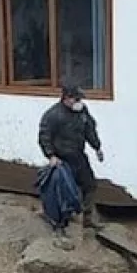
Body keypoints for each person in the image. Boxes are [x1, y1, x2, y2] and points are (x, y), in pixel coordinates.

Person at [38, 85, 105, 228]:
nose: (79, 102)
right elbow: (44, 136)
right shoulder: (53, 115)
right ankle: (63, 221)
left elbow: (89, 129)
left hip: (78, 156)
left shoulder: (82, 112)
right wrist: (51, 156)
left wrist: (97, 147)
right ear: (67, 98)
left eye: (80, 99)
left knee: (90, 185)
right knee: (65, 190)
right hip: (62, 160)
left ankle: (88, 219)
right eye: (76, 99)